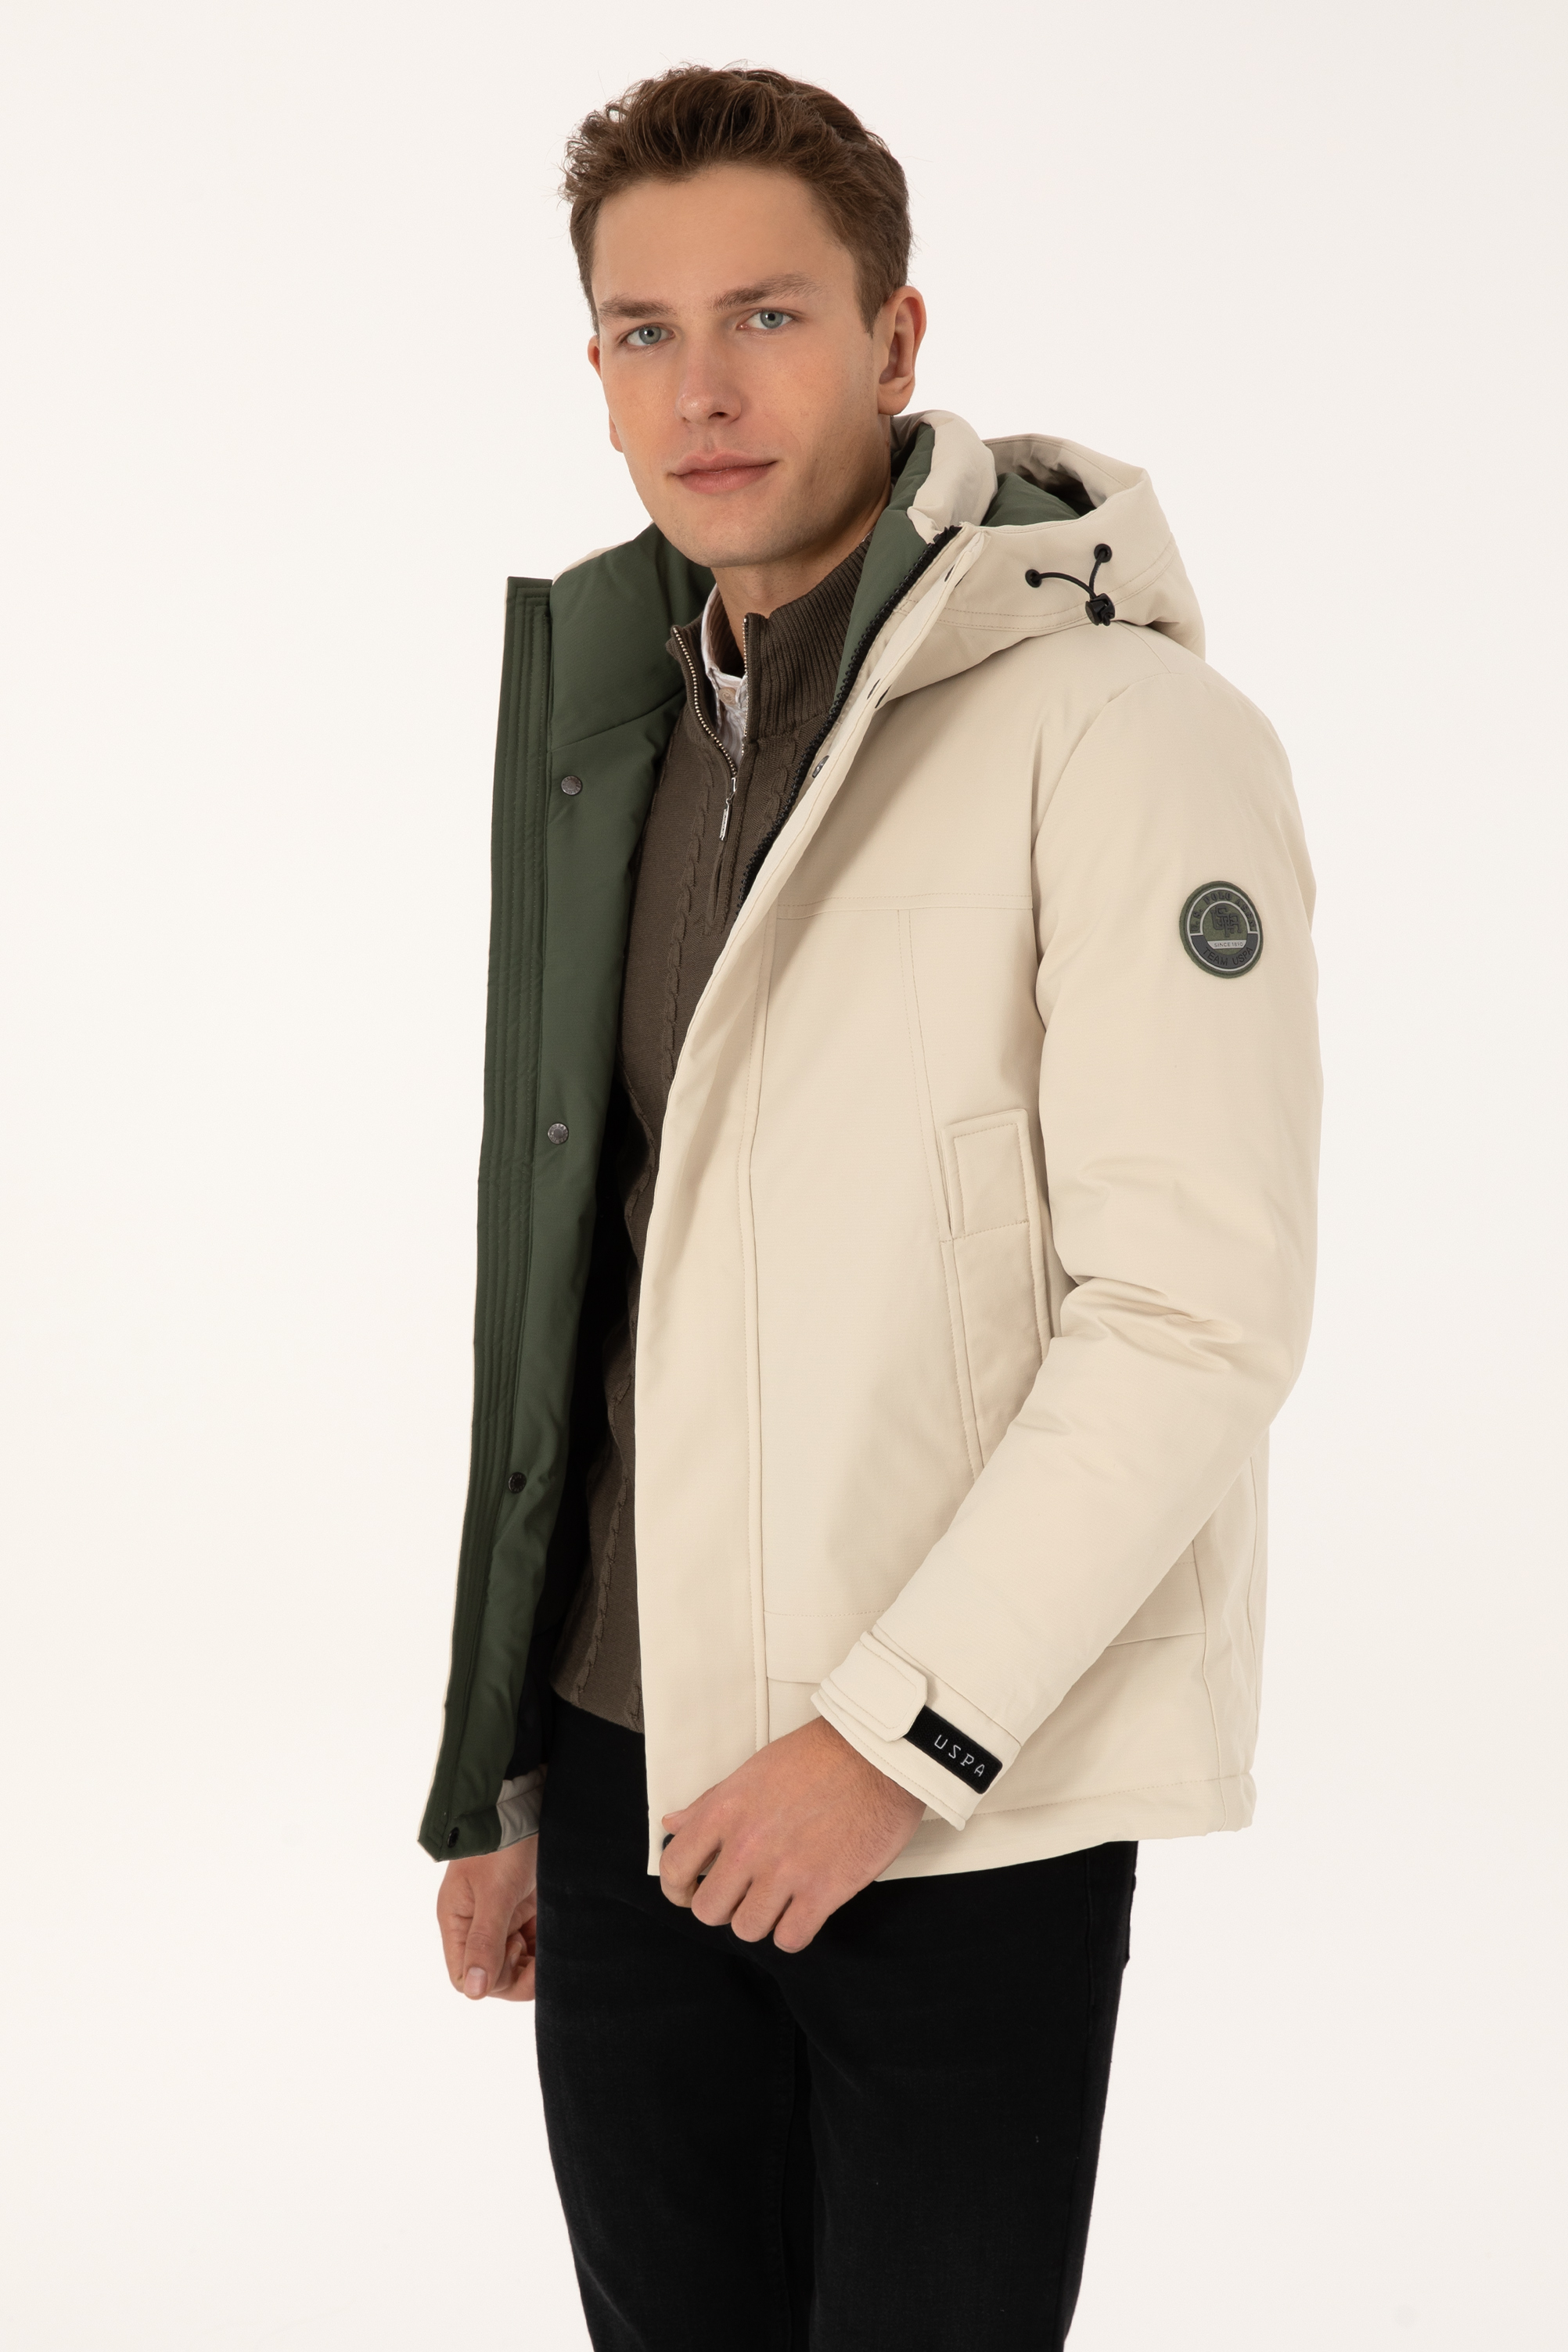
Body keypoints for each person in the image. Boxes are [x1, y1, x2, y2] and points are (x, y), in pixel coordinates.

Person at [423, 63, 1320, 2352]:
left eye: (768, 317)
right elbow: (581, 1284)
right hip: (626, 1780)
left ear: (896, 340)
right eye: (644, 332)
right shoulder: (622, 735)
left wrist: (890, 1743)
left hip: (948, 1805)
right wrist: (507, 1765)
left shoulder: (1119, 737)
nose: (702, 391)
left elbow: (1193, 1311)